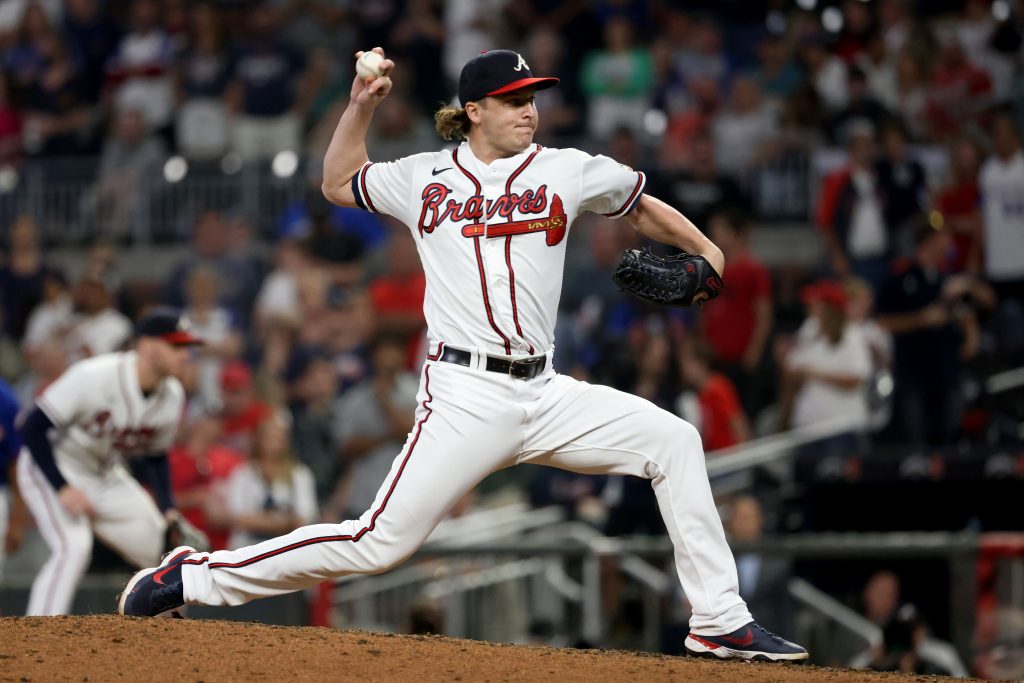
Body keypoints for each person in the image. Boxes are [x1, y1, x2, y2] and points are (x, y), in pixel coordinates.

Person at [118, 48, 808, 663]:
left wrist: (708, 253)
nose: (528, 111)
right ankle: (193, 576)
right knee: (378, 542)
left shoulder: (567, 171)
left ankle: (719, 619)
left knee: (674, 440)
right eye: (513, 101)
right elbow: (337, 181)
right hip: (464, 394)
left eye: (532, 98)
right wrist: (359, 105)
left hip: (545, 391)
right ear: (473, 110)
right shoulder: (424, 178)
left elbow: (640, 203)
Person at [17, 308, 202, 615]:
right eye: (176, 345)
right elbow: (32, 428)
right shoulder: (93, 375)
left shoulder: (172, 395)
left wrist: (168, 508)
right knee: (73, 547)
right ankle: (35, 642)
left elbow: (156, 456)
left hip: (104, 473)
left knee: (163, 551)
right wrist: (62, 488)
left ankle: (176, 642)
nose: (186, 355)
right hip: (52, 464)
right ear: (146, 346)